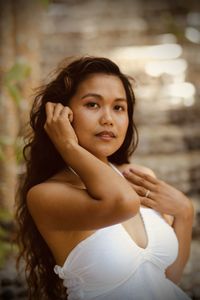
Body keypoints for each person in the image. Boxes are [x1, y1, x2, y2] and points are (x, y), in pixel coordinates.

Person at [15, 56, 194, 300]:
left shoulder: (139, 177)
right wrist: (67, 145)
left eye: (119, 107)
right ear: (62, 115)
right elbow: (123, 202)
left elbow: (164, 279)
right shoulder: (46, 195)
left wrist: (185, 212)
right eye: (92, 105)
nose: (108, 119)